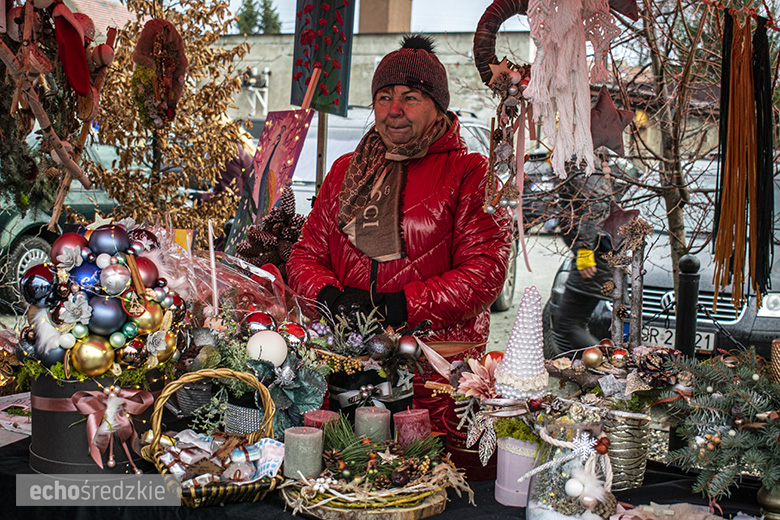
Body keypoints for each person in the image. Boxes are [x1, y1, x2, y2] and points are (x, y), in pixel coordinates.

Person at [287, 35, 512, 431]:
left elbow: (484, 273)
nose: (394, 110)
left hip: (433, 373)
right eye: (384, 97)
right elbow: (306, 255)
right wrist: (330, 299)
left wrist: (397, 307)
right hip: (346, 363)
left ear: (438, 107)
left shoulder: (470, 171)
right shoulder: (345, 170)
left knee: (425, 480)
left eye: (410, 97)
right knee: (346, 474)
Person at [550, 167, 617, 354]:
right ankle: (594, 369)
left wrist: (585, 248)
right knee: (573, 323)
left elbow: (593, 206)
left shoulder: (579, 161)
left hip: (594, 258)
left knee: (568, 323)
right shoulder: (582, 162)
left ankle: (606, 367)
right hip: (597, 255)